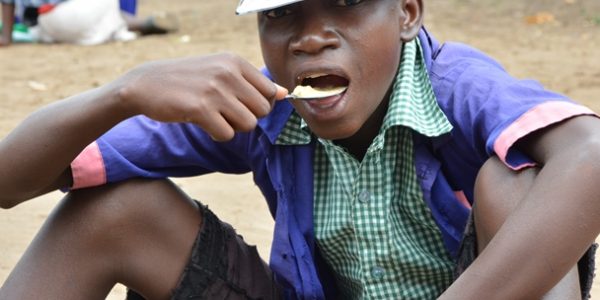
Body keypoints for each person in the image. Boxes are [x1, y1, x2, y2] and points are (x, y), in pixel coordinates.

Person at [0, 0, 599, 299]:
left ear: (408, 13)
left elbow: (589, 154)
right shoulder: (260, 105)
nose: (312, 35)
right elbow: (9, 182)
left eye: (347, 1)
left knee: (516, 177)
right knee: (112, 210)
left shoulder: (457, 89)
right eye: (284, 12)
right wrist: (125, 92)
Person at [0, 0, 178, 46]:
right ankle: (137, 24)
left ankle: (129, 25)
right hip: (72, 14)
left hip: (43, 25)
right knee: (106, 12)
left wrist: (6, 37)